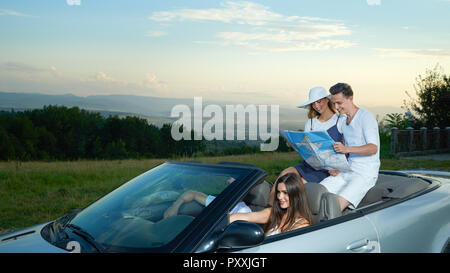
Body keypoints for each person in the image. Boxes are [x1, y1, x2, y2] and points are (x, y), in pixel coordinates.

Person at [269, 86, 346, 206]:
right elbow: (306, 147)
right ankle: (270, 209)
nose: (316, 105)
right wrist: (293, 143)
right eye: (313, 103)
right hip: (310, 163)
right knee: (284, 175)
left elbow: (347, 149)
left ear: (327, 100)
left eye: (319, 101)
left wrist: (339, 167)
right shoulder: (310, 122)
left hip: (329, 167)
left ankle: (290, 216)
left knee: (296, 185)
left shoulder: (340, 120)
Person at [320, 83, 380, 211]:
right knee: (316, 194)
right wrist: (337, 167)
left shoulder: (365, 117)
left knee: (334, 206)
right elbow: (344, 152)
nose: (336, 107)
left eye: (339, 103)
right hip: (347, 170)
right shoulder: (343, 120)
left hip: (364, 173)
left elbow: (373, 148)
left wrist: (346, 149)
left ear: (350, 98)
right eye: (334, 103)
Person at [229, 172, 312, 236]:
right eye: (278, 192)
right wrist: (220, 221)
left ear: (295, 195)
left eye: (285, 193)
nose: (279, 196)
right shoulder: (273, 213)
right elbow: (245, 216)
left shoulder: (302, 224)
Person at [163, 178, 251, 218]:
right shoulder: (220, 201)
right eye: (227, 184)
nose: (228, 187)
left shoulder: (244, 210)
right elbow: (192, 193)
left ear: (243, 188)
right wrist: (175, 207)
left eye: (232, 184)